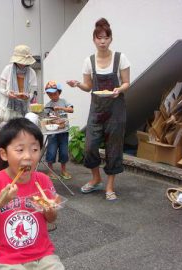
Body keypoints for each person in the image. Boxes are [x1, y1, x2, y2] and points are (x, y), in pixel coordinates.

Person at [0, 118, 65, 269]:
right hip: (7, 257)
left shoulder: (43, 181)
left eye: (34, 149)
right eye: (20, 150)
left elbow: (51, 220)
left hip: (42, 254)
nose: (28, 156)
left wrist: (50, 210)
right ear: (4, 154)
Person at [67, 18, 131, 201]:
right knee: (90, 146)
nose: (102, 41)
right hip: (96, 109)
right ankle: (96, 178)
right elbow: (88, 86)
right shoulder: (89, 61)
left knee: (114, 147)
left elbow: (127, 82)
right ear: (94, 39)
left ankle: (110, 186)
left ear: (111, 39)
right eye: (99, 37)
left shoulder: (120, 58)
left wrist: (120, 89)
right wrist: (78, 84)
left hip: (116, 110)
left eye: (106, 37)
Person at [0, 45, 37, 170]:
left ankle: (17, 165)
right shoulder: (8, 69)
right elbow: (1, 88)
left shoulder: (31, 72)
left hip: (23, 108)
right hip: (8, 108)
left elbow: (33, 91)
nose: (23, 65)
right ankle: (1, 167)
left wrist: (27, 95)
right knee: (4, 135)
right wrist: (8, 93)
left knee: (19, 137)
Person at [44, 80, 74, 180]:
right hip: (52, 132)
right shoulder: (48, 105)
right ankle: (50, 171)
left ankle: (63, 170)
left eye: (55, 93)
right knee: (51, 151)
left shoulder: (64, 101)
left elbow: (71, 110)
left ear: (59, 92)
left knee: (64, 151)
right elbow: (46, 118)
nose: (53, 96)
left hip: (64, 131)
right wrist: (51, 117)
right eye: (50, 94)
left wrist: (61, 108)